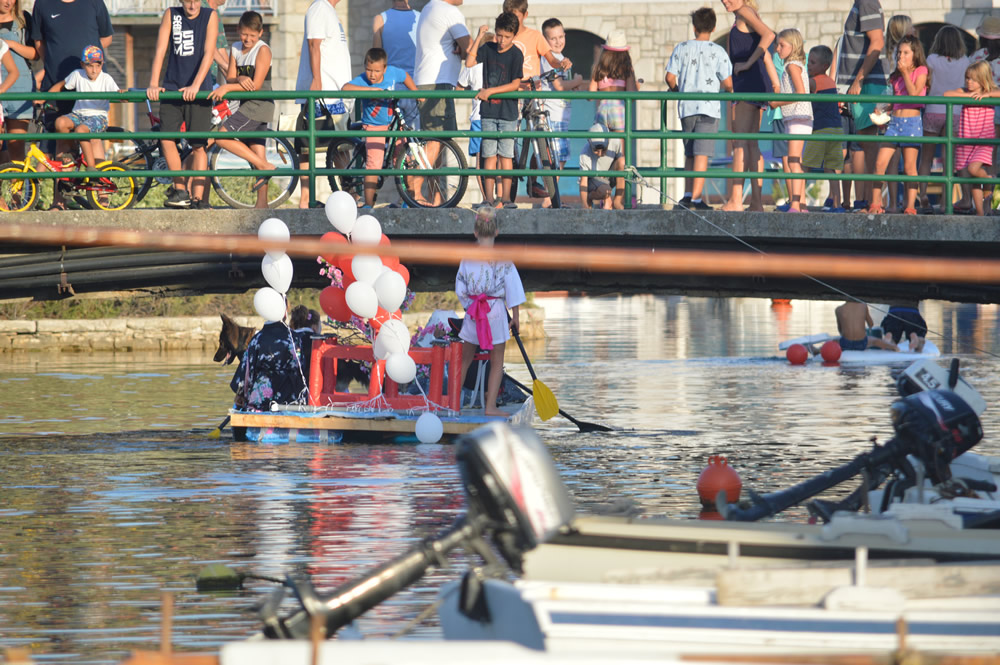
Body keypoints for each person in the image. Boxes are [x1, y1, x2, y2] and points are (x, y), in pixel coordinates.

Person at [30, 0, 112, 210]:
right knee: (61, 140)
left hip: (89, 86)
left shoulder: (94, 3)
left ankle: (101, 196)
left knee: (93, 139)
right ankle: (60, 201)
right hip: (58, 83)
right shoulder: (43, 4)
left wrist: (89, 66)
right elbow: (40, 44)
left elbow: (106, 38)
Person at [147, 0, 219, 210]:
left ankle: (198, 197)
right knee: (166, 138)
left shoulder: (210, 15)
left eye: (196, 0)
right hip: (172, 87)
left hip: (199, 90)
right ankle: (180, 190)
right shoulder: (171, 14)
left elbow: (209, 52)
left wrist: (196, 85)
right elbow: (161, 50)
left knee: (198, 145)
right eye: (188, 0)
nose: (192, 5)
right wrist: (153, 83)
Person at [456, 205, 525, 417]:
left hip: (474, 313)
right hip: (495, 312)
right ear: (496, 231)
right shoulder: (503, 259)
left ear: (475, 232)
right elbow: (513, 288)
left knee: (465, 360)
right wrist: (515, 317)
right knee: (497, 361)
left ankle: (453, 403)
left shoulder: (467, 257)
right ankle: (490, 406)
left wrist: (470, 308)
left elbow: (460, 288)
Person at [665, 6, 733, 212]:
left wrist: (678, 90)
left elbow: (669, 78)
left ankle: (686, 195)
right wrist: (720, 88)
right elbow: (729, 83)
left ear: (694, 27)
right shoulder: (718, 51)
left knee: (690, 153)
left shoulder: (682, 48)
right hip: (709, 108)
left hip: (687, 108)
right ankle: (696, 197)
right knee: (702, 153)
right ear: (713, 28)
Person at [207, 10, 276, 209]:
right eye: (244, 34)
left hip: (259, 104)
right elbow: (230, 76)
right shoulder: (236, 48)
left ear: (260, 33)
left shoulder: (263, 50)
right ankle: (262, 204)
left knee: (221, 137)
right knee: (257, 153)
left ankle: (264, 167)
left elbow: (256, 85)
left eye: (252, 36)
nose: (247, 39)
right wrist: (238, 79)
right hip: (246, 105)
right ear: (238, 30)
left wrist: (228, 87)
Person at [342, 47, 419, 208]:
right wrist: (370, 90)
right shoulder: (363, 80)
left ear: (385, 68)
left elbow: (405, 76)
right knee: (374, 164)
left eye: (377, 71)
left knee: (405, 159)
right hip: (374, 126)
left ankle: (409, 200)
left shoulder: (392, 73)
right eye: (369, 70)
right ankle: (369, 205)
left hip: (393, 122)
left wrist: (416, 92)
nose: (372, 74)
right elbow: (345, 88)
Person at [294, 0, 351, 209]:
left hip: (333, 92)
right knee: (309, 146)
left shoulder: (329, 11)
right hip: (323, 93)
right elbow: (313, 44)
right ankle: (306, 199)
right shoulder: (320, 7)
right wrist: (317, 80)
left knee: (340, 146)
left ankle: (349, 194)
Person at [834, 0, 890, 213]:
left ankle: (876, 203)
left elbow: (877, 42)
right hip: (866, 84)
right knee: (867, 145)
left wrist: (858, 79)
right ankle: (873, 202)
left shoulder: (867, 2)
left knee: (870, 145)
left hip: (869, 85)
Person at [721, 0, 776, 213]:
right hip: (752, 82)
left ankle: (736, 200)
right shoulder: (743, 14)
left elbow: (769, 35)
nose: (725, 1)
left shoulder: (744, 11)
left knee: (741, 142)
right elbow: (766, 51)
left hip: (749, 81)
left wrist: (747, 64)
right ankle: (756, 202)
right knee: (751, 143)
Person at [413, 0, 470, 205]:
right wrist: (463, 47)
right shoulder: (450, 11)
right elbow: (471, 51)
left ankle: (435, 196)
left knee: (436, 142)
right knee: (436, 142)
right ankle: (415, 189)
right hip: (437, 84)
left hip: (427, 81)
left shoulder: (429, 7)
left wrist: (459, 46)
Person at [466, 14, 524, 209]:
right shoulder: (489, 48)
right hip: (488, 112)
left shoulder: (516, 54)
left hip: (508, 112)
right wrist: (480, 35)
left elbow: (516, 83)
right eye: (499, 35)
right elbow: (469, 62)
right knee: (489, 156)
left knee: (506, 156)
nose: (502, 41)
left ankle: (506, 198)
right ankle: (488, 198)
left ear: (514, 35)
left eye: (507, 37)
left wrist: (490, 91)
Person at [867, 34, 927, 215]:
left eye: (906, 52)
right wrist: (884, 109)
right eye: (899, 52)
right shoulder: (895, 76)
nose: (901, 56)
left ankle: (910, 206)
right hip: (894, 122)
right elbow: (897, 100)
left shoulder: (921, 70)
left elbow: (914, 94)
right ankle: (876, 203)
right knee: (879, 164)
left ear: (915, 54)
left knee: (909, 168)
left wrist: (907, 73)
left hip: (912, 122)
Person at [918, 25, 968, 214]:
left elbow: (927, 84)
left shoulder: (931, 60)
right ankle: (946, 200)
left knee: (926, 158)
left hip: (933, 110)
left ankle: (922, 194)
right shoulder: (965, 61)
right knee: (949, 160)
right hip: (955, 113)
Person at [589, 30, 638, 210]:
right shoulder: (627, 69)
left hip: (602, 110)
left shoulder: (598, 68)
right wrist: (637, 85)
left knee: (601, 155)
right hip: (619, 111)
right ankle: (619, 198)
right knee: (620, 156)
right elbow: (632, 94)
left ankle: (605, 197)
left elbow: (591, 94)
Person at [944, 61, 1000, 216]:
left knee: (973, 169)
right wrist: (968, 96)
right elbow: (946, 94)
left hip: (983, 140)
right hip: (966, 140)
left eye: (973, 79)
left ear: (983, 80)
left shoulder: (990, 91)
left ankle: (988, 182)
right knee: (972, 178)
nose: (969, 82)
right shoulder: (963, 91)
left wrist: (987, 94)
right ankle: (981, 213)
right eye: (967, 78)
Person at [539, 18, 584, 208]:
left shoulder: (562, 58)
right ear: (545, 40)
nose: (558, 42)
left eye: (560, 37)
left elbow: (563, 86)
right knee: (556, 160)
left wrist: (573, 87)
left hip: (561, 116)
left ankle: (551, 198)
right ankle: (548, 200)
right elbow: (558, 86)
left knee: (561, 158)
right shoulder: (550, 59)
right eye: (552, 38)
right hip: (553, 116)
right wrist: (578, 81)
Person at [50, 45, 117, 171]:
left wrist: (123, 95)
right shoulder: (77, 75)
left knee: (81, 130)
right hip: (78, 114)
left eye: (98, 65)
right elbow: (62, 85)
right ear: (82, 64)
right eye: (90, 66)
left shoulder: (106, 78)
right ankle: (72, 150)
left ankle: (91, 168)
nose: (94, 70)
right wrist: (43, 97)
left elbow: (118, 94)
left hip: (98, 117)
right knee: (60, 122)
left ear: (102, 64)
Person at [231, 310, 309, 412]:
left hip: (262, 393)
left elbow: (247, 370)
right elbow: (302, 366)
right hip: (291, 394)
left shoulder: (257, 339)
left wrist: (240, 393)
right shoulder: (295, 338)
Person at [768, 29, 812, 213]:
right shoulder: (796, 65)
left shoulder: (791, 66)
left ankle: (795, 203)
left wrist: (778, 102)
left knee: (794, 162)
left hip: (797, 117)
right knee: (796, 161)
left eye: (782, 45)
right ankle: (800, 203)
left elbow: (800, 93)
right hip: (796, 117)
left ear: (792, 46)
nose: (778, 49)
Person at [804, 45, 847, 213]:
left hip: (821, 129)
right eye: (808, 62)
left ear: (824, 66)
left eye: (812, 62)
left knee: (804, 167)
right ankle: (837, 204)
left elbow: (802, 85)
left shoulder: (815, 81)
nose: (808, 65)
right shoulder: (830, 81)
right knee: (831, 168)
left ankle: (797, 201)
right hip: (836, 129)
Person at [882, 15, 915, 214]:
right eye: (911, 27)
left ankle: (896, 203)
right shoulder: (898, 54)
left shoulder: (891, 54)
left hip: (903, 113)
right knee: (901, 164)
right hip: (897, 112)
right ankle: (900, 203)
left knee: (899, 164)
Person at [372, 0, 421, 131]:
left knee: (391, 137)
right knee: (414, 138)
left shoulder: (380, 19)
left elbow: (376, 57)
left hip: (391, 85)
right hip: (414, 85)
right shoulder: (420, 18)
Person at [457, 30, 492, 202]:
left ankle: (486, 199)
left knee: (480, 162)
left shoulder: (472, 67)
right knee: (496, 160)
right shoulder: (496, 63)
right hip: (495, 116)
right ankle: (497, 197)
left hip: (478, 117)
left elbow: (459, 87)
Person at [0, 0, 36, 164]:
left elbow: (35, 54)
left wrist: (11, 45)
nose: (8, 2)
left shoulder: (24, 20)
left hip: (19, 86)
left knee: (16, 144)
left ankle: (17, 188)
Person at [970, 16, 1000, 193]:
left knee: (989, 157)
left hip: (982, 112)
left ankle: (990, 201)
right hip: (992, 110)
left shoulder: (978, 56)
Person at [578, 122, 622, 209]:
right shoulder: (585, 153)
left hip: (608, 175)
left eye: (604, 149)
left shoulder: (616, 142)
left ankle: (617, 201)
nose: (600, 153)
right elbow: (583, 181)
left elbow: (620, 162)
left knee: (622, 162)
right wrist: (585, 206)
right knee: (605, 191)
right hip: (594, 179)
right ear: (590, 144)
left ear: (609, 140)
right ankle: (591, 196)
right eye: (596, 150)